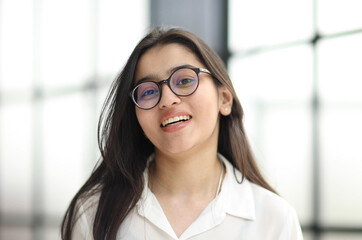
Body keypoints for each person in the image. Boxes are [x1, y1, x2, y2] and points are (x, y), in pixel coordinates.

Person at [61, 27, 303, 240]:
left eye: (185, 80)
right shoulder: (94, 212)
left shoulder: (274, 220)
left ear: (224, 99)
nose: (167, 100)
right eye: (147, 92)